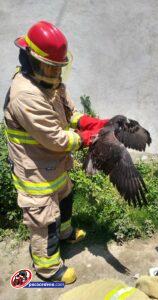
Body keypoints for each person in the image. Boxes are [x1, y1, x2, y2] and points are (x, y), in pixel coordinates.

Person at [4, 20, 109, 284]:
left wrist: (86, 121)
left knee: (65, 199)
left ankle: (66, 234)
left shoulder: (51, 83)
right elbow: (56, 139)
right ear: (30, 59)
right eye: (49, 66)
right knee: (44, 220)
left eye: (57, 67)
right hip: (35, 172)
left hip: (55, 166)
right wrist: (87, 138)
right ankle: (49, 269)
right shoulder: (24, 95)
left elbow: (69, 112)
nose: (54, 73)